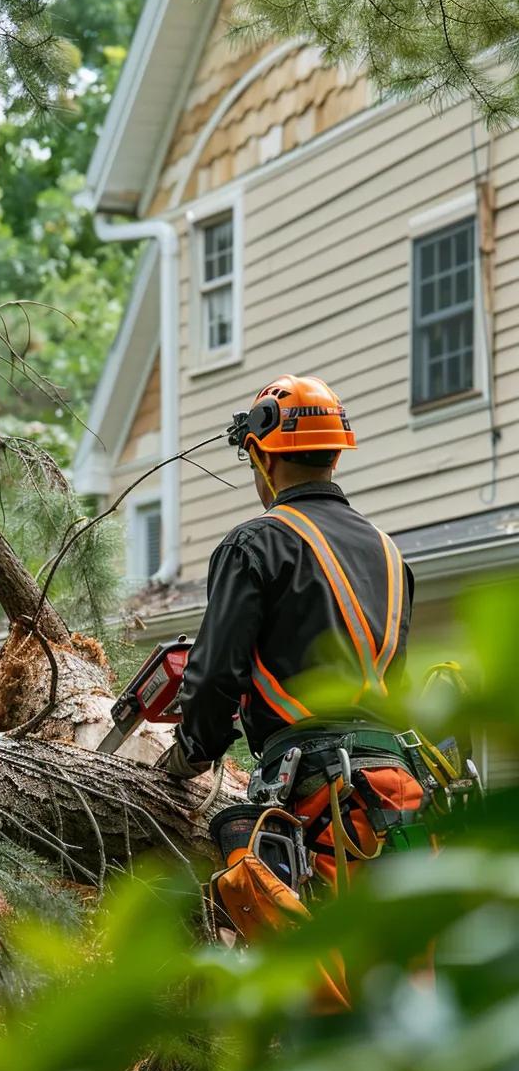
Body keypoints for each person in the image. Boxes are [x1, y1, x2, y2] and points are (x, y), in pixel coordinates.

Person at [161, 374, 426, 889]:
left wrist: (193, 749)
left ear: (262, 453)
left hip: (319, 791)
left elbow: (217, 671)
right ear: (335, 454)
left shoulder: (256, 543)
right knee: (402, 956)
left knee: (312, 953)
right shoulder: (390, 554)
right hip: (397, 787)